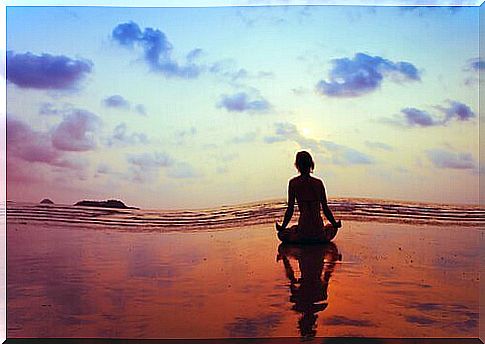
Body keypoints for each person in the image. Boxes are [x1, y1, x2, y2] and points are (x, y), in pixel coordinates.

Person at [276, 151, 342, 243]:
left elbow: (290, 210)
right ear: (311, 164)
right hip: (319, 234)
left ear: (297, 165)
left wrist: (282, 227)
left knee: (282, 234)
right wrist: (335, 224)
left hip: (303, 233)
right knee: (331, 227)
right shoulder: (318, 183)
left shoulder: (293, 183)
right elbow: (325, 209)